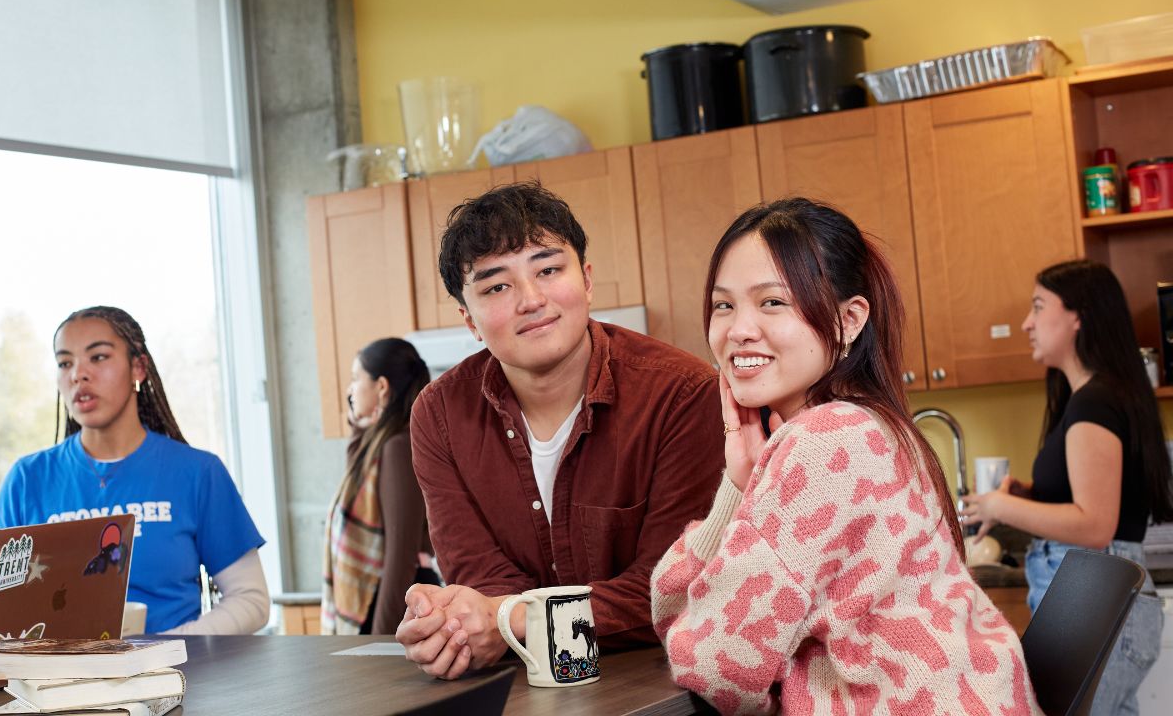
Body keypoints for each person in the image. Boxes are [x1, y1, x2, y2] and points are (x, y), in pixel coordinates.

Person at [651, 198, 1040, 714]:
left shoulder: (825, 441)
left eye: (772, 302)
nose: (738, 329)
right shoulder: (871, 425)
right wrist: (740, 483)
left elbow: (715, 661)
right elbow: (682, 618)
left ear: (849, 319)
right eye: (724, 305)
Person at [396, 182, 724, 680]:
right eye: (496, 287)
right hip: (524, 693)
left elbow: (672, 588)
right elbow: (479, 577)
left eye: (549, 270)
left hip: (666, 688)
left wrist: (505, 619)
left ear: (587, 281)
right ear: (469, 320)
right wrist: (453, 623)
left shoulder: (684, 394)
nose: (531, 300)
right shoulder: (439, 415)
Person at [964, 259, 1172, 714]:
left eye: (1038, 307)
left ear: (1077, 317)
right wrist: (1032, 496)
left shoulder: (1096, 402)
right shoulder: (1094, 397)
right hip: (1097, 595)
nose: (1027, 322)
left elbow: (1095, 525)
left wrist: (1001, 505)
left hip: (1097, 595)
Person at [0, 306, 268, 635]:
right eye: (65, 363)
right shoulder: (27, 479)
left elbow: (251, 600)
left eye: (99, 357)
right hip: (56, 684)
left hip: (176, 678)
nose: (79, 374)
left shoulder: (199, 473)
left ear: (138, 367)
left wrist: (167, 650)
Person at [320, 337, 435, 635]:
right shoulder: (382, 444)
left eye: (356, 378)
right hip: (382, 597)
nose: (350, 390)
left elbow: (400, 556)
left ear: (381, 387)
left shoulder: (398, 447)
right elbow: (353, 477)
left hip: (394, 602)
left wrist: (383, 640)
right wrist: (358, 425)